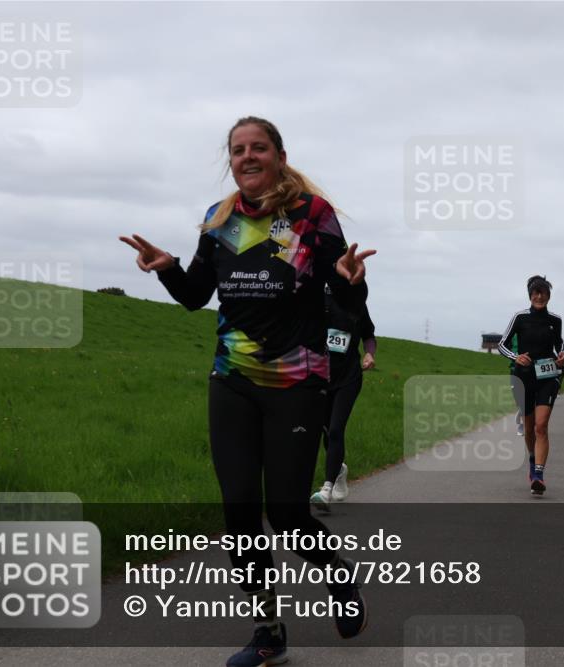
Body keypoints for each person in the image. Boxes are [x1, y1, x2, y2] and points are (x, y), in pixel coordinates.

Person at [120, 116, 375, 667]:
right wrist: (166, 269)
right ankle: (268, 632)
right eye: (238, 150)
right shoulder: (222, 220)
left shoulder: (310, 216)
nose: (248, 156)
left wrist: (354, 279)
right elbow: (196, 295)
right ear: (230, 160)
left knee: (285, 514)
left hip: (297, 383)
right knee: (239, 511)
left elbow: (344, 298)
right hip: (232, 380)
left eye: (259, 147)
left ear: (280, 156)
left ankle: (340, 581)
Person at [310, 284, 376, 512]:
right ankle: (339, 471)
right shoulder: (317, 297)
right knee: (325, 431)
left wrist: (369, 353)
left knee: (336, 429)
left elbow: (368, 335)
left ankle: (326, 490)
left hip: (348, 377)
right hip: (319, 376)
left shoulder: (357, 304)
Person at [498, 275, 564, 496]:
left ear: (548, 296)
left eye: (543, 293)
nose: (539, 296)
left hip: (547, 376)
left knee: (541, 426)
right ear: (530, 295)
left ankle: (538, 475)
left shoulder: (555, 320)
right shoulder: (520, 317)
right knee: (529, 428)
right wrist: (516, 357)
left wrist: (562, 357)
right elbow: (502, 344)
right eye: (535, 293)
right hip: (524, 376)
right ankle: (531, 460)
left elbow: (560, 345)